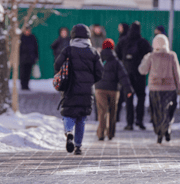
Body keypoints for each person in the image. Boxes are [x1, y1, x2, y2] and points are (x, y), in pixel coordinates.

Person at [54, 24, 104, 155]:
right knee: (81, 119)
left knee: (68, 114)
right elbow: (100, 73)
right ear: (88, 36)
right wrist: (89, 81)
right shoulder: (93, 52)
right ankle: (78, 146)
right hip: (87, 91)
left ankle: (69, 132)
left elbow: (57, 65)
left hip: (70, 89)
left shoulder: (68, 50)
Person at [138, 34, 180, 144]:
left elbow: (142, 70)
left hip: (155, 89)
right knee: (168, 111)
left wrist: (145, 58)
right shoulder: (172, 56)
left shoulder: (151, 56)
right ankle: (166, 128)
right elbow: (177, 74)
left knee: (156, 112)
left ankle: (159, 131)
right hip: (170, 89)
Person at [115, 21, 152, 131]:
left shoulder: (123, 41)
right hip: (140, 75)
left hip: (127, 74)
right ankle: (139, 121)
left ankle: (129, 123)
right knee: (141, 97)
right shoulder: (143, 42)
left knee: (128, 98)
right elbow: (149, 56)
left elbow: (117, 55)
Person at [95, 39, 133, 141]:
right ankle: (110, 134)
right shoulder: (116, 61)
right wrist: (128, 89)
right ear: (113, 47)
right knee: (112, 111)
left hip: (99, 89)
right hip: (113, 90)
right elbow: (123, 76)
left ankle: (101, 134)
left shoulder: (97, 59)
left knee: (102, 111)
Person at [116, 22, 130, 122]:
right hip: (128, 69)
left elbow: (118, 54)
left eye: (120, 27)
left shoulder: (123, 40)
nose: (118, 29)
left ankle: (116, 117)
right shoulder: (124, 38)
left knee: (121, 94)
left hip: (122, 69)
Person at [19, 25, 39, 90]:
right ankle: (23, 85)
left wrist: (36, 57)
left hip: (30, 58)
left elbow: (36, 47)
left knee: (28, 73)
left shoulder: (32, 37)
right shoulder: (21, 37)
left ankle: (26, 85)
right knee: (23, 72)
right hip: (23, 59)